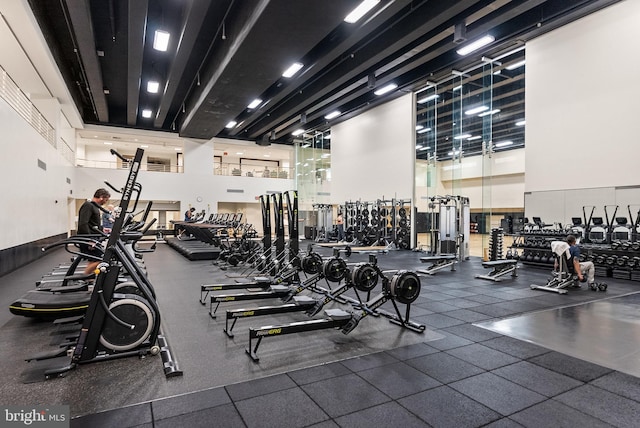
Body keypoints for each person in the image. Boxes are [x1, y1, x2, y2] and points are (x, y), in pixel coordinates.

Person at [77, 188, 111, 276]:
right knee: (100, 259)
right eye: (106, 200)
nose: (105, 202)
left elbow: (92, 223)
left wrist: (102, 229)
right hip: (89, 238)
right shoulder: (88, 205)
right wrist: (89, 240)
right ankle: (86, 276)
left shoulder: (94, 206)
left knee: (93, 259)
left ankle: (90, 278)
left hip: (94, 237)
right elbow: (83, 224)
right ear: (101, 197)